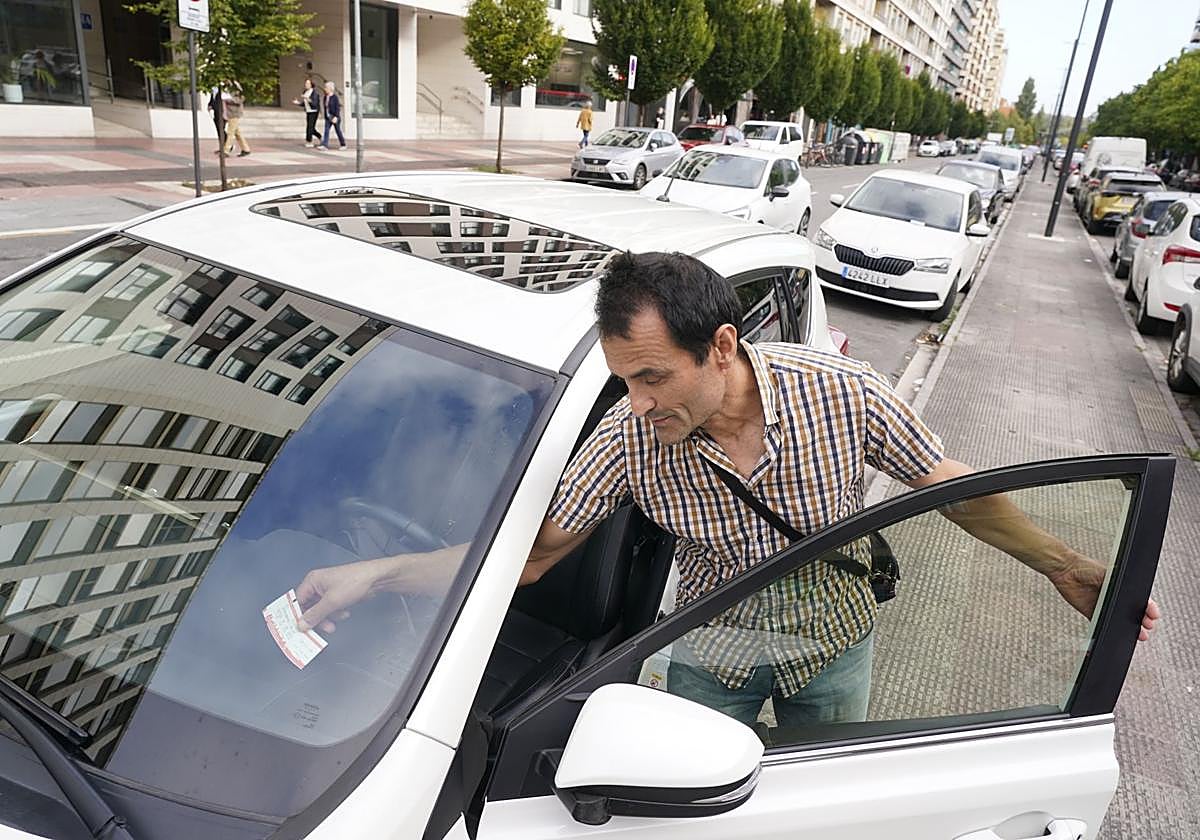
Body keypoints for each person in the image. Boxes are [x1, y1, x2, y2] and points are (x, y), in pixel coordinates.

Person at [292, 252, 1159, 727]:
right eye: (622, 380)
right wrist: (378, 573)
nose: (637, 403)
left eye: (651, 377)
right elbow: (530, 558)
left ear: (722, 346)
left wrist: (1063, 565)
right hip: (711, 655)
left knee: (825, 793)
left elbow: (954, 490)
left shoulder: (841, 393)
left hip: (837, 646)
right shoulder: (631, 439)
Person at [222, 82, 251, 158]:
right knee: (237, 132)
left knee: (230, 132)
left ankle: (226, 150)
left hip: (235, 113)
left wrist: (228, 99)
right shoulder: (227, 88)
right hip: (230, 113)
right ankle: (246, 149)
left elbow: (239, 100)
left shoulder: (237, 89)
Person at [293, 78, 321, 148]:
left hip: (314, 111)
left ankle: (309, 141)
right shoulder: (305, 92)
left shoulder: (314, 93)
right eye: (306, 83)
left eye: (308, 83)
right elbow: (305, 103)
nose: (306, 85)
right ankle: (320, 137)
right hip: (308, 111)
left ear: (311, 85)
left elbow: (314, 103)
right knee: (311, 127)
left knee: (310, 127)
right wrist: (298, 103)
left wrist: (307, 98)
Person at [319, 81, 346, 151]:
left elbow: (337, 108)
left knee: (338, 131)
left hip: (334, 117)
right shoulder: (325, 97)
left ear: (330, 88)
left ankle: (343, 144)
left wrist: (336, 117)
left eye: (326, 87)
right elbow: (325, 107)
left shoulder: (335, 97)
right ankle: (325, 145)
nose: (325, 89)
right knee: (326, 130)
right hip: (328, 117)